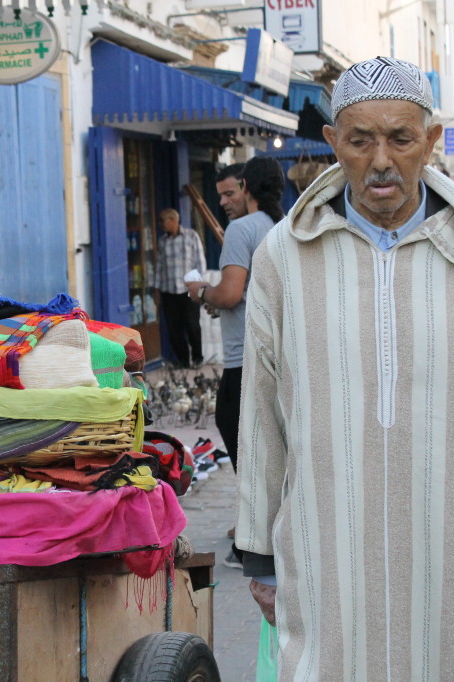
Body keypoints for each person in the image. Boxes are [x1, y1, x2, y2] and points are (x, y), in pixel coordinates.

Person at [237, 56, 454, 679]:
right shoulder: (285, 256)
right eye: (361, 140)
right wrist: (259, 552)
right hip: (331, 551)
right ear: (333, 142)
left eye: (401, 138)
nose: (381, 161)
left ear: (433, 142)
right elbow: (260, 409)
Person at [187, 158, 284, 567]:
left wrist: (200, 292)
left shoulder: (243, 230)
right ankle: (258, 527)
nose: (224, 200)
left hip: (243, 356)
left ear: (246, 186)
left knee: (244, 443)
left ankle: (254, 545)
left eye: (230, 192)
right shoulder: (284, 227)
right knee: (271, 444)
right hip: (280, 352)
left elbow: (229, 293)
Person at [154, 208, 206, 368]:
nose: (160, 224)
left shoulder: (191, 236)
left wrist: (199, 286)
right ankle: (183, 360)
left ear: (173, 220)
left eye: (162, 220)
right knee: (174, 328)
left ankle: (197, 358)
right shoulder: (163, 241)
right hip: (169, 290)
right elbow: (159, 266)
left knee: (192, 325)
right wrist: (157, 290)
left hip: (188, 289)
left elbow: (200, 262)